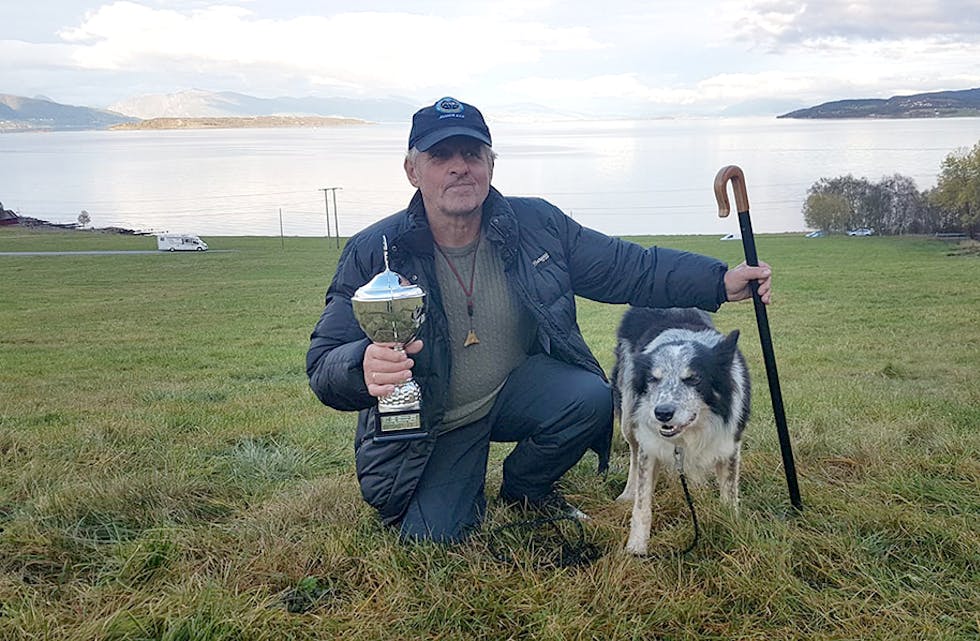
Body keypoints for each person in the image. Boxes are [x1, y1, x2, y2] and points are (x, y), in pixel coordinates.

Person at [306, 97, 772, 544]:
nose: (459, 166)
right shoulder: (376, 249)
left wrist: (718, 282)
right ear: (412, 170)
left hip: (515, 391)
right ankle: (453, 478)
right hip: (437, 420)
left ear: (491, 164)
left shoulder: (536, 224)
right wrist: (360, 366)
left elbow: (628, 266)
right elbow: (324, 360)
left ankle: (526, 487)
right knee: (434, 538)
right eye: (440, 155)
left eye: (472, 153)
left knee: (589, 394)